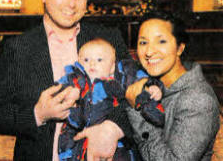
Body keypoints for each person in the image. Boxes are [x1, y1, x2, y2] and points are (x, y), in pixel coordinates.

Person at [0, 0, 130, 161]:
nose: (71, 3)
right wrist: (37, 114)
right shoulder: (19, 48)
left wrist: (113, 127)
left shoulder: (108, 39)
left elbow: (136, 95)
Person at [75, 11, 220, 161]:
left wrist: (137, 109)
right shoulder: (141, 79)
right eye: (143, 42)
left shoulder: (198, 100)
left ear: (180, 48)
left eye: (161, 41)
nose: (149, 52)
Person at [56, 38, 164, 161]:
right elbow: (56, 91)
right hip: (80, 137)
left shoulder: (118, 81)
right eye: (86, 60)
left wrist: (152, 89)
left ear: (112, 66)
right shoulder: (75, 80)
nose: (92, 64)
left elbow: (139, 85)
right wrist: (67, 94)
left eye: (99, 60)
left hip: (118, 143)